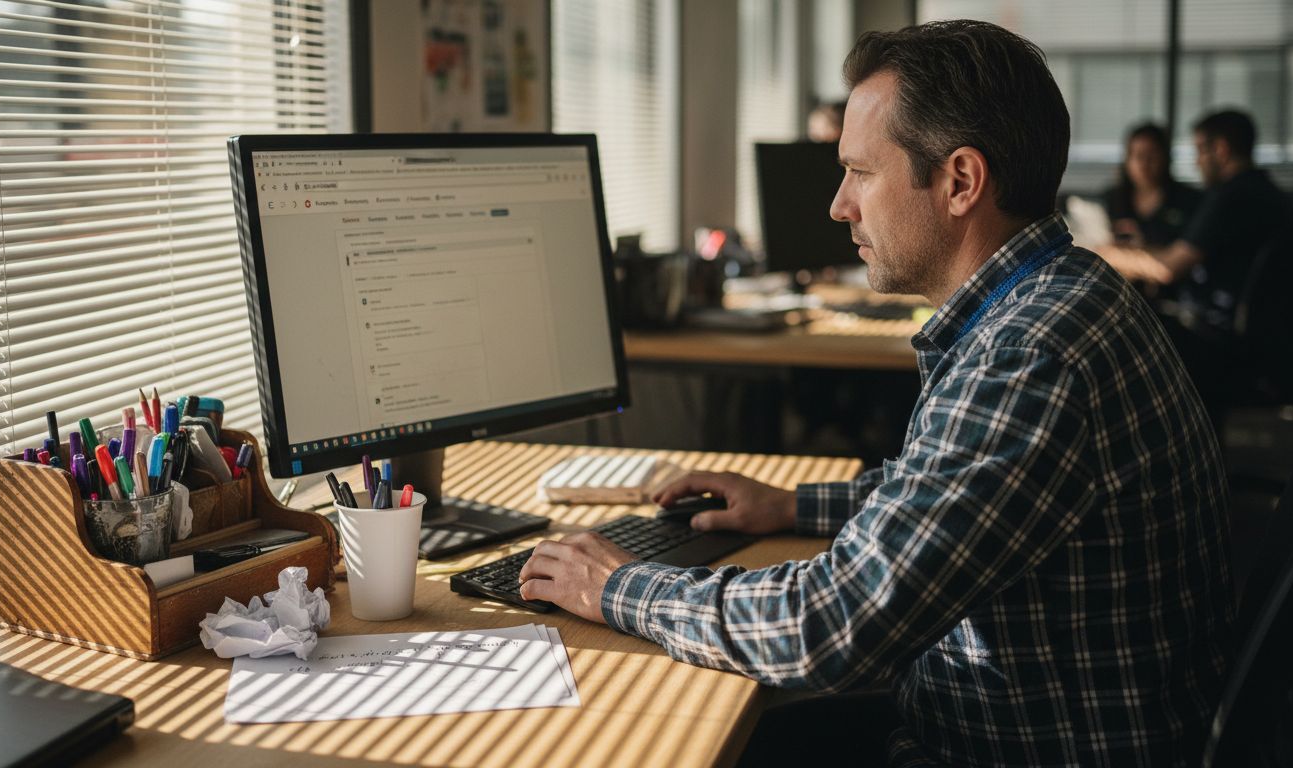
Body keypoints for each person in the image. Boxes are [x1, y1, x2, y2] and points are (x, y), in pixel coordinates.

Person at [519, 20, 1231, 766]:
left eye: (860, 172)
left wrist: (620, 585)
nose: (839, 206)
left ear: (960, 181)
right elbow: (952, 491)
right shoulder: (1063, 290)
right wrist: (792, 506)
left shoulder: (1028, 355)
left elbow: (830, 627)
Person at [1101, 109, 1293, 420]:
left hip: (1225, 347)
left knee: (1122, 331)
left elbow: (1168, 268)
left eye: (1199, 151)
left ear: (1220, 149)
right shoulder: (1274, 197)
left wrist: (1107, 254)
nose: (1196, 162)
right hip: (1276, 350)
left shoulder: (1229, 198)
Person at [1103, 122, 1202, 248]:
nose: (1144, 164)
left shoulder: (1187, 199)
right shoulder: (1113, 198)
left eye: (1152, 156)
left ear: (1165, 158)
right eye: (1138, 156)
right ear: (1127, 160)